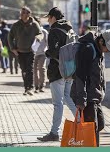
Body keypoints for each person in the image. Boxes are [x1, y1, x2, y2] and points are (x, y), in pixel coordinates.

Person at [71, 29, 110, 147]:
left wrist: (102, 92)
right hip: (86, 97)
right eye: (108, 48)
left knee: (99, 125)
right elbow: (80, 76)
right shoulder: (87, 49)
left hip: (95, 96)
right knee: (91, 129)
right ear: (101, 41)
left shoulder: (98, 50)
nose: (108, 51)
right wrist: (81, 100)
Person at [37, 7, 76, 141]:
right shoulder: (69, 29)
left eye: (49, 17)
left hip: (57, 70)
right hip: (70, 69)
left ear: (53, 17)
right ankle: (82, 121)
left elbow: (54, 52)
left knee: (58, 103)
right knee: (68, 97)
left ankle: (54, 133)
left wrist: (47, 52)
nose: (48, 20)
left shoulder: (54, 31)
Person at [8, 6, 43, 95]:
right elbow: (10, 37)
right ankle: (26, 87)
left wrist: (38, 38)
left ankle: (29, 88)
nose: (23, 15)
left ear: (29, 14)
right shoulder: (16, 25)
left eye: (25, 13)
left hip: (30, 51)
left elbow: (40, 33)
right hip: (19, 51)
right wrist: (13, 48)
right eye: (22, 13)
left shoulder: (34, 24)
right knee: (24, 70)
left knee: (29, 69)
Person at [32, 16, 48, 93]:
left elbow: (48, 42)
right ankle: (36, 86)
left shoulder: (44, 32)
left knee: (41, 69)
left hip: (42, 53)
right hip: (33, 54)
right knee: (34, 70)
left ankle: (42, 86)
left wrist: (47, 51)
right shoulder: (31, 32)